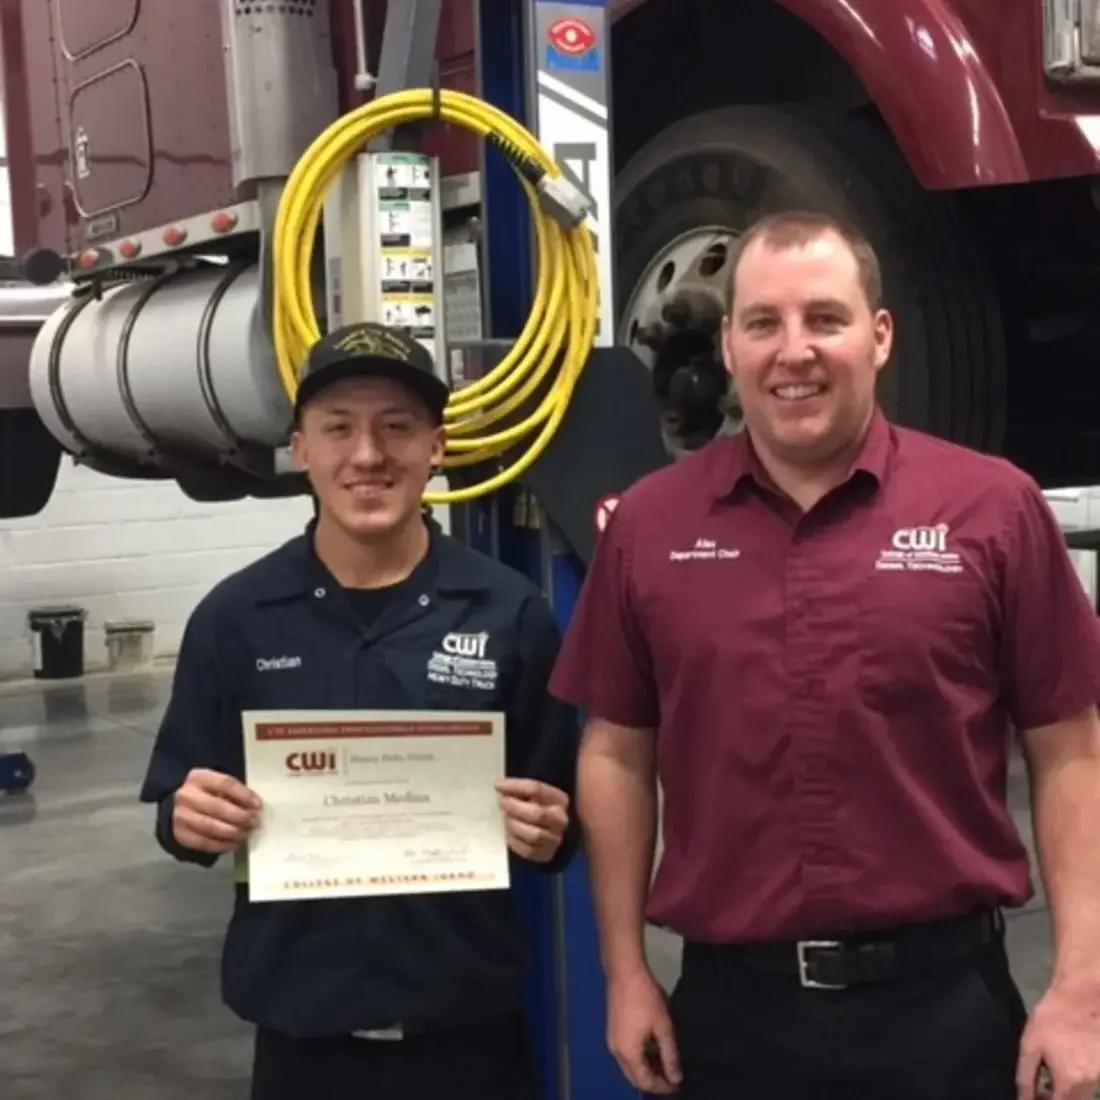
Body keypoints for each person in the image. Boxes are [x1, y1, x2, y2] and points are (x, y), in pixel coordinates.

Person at [547, 210, 1100, 1099]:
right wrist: (624, 971)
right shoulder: (650, 525)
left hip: (945, 1017)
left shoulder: (993, 509)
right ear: (727, 344)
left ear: (878, 336)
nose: (791, 351)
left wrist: (1083, 988)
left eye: (825, 319)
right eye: (763, 322)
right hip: (732, 1023)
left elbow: (1071, 748)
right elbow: (615, 750)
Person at [139, 321, 579, 1100]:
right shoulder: (235, 620)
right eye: (338, 428)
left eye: (397, 428)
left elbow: (561, 819)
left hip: (471, 1043)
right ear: (300, 448)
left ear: (437, 447)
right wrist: (186, 817)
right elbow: (179, 810)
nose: (368, 455)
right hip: (304, 1046)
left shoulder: (509, 614)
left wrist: (550, 827)